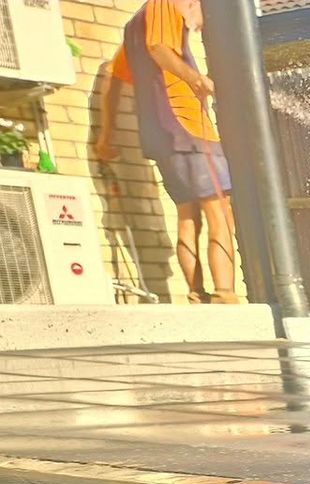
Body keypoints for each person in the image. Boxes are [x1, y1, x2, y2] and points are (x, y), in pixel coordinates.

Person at [94, 0, 239, 302]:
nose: (200, 22)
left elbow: (112, 77)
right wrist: (195, 77)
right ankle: (226, 293)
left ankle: (196, 293)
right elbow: (159, 46)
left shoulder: (133, 26)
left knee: (188, 214)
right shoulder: (163, 4)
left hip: (159, 134)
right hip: (187, 125)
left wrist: (106, 136)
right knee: (220, 210)